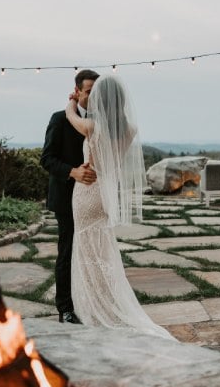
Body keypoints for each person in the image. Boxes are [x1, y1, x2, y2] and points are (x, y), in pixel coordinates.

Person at [64, 75, 173, 340]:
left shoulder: (91, 126)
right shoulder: (129, 130)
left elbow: (71, 117)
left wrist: (71, 103)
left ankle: (93, 307)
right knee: (103, 253)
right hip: (107, 193)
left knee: (86, 252)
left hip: (87, 193)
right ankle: (109, 304)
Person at [41, 69, 99, 323]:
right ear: (76, 92)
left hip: (93, 200)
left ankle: (89, 300)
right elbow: (47, 159)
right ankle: (65, 307)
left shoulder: (101, 121)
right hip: (66, 197)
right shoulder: (59, 119)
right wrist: (73, 172)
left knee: (90, 252)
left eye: (97, 92)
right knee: (67, 252)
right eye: (88, 92)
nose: (93, 97)